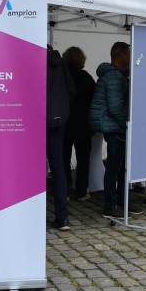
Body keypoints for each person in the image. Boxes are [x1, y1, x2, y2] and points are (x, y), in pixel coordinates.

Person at [89, 41, 142, 219]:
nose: (131, 56)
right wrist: (126, 124)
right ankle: (110, 205)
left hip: (115, 126)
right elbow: (115, 106)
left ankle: (121, 200)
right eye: (128, 53)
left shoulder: (115, 74)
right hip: (115, 127)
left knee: (120, 167)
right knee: (114, 167)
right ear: (120, 55)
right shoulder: (114, 77)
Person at [46, 45, 75, 231]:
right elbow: (71, 89)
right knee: (58, 169)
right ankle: (63, 218)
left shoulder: (31, 58)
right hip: (59, 121)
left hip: (37, 121)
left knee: (32, 168)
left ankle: (28, 215)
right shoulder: (60, 62)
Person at [62, 46, 96, 202]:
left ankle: (65, 190)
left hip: (64, 124)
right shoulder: (85, 77)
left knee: (63, 159)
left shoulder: (60, 76)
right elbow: (94, 98)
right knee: (83, 160)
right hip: (83, 125)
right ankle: (82, 191)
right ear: (81, 59)